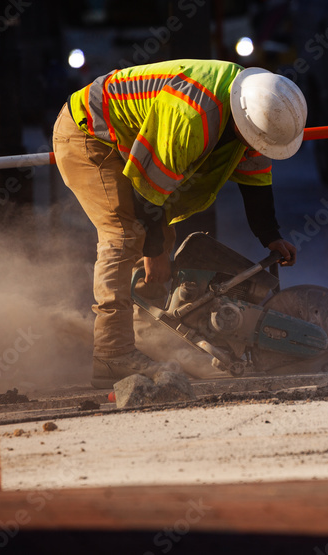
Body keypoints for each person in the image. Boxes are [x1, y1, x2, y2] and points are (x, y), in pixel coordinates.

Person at [52, 59, 306, 388]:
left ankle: (147, 340)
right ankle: (112, 353)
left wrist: (270, 236)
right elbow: (148, 192)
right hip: (87, 132)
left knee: (158, 233)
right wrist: (153, 253)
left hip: (125, 136)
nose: (257, 150)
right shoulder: (191, 116)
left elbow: (255, 182)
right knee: (125, 235)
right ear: (243, 123)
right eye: (255, 142)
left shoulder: (255, 109)